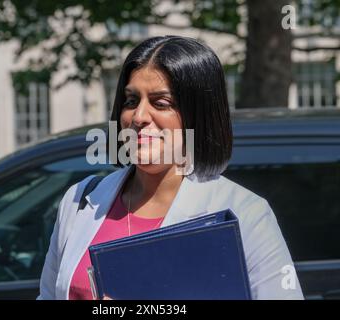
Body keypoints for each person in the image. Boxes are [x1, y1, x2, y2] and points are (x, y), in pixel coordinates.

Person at [37, 35, 304, 300]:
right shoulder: (80, 200)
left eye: (160, 103)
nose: (139, 117)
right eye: (131, 101)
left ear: (197, 114)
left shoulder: (244, 214)